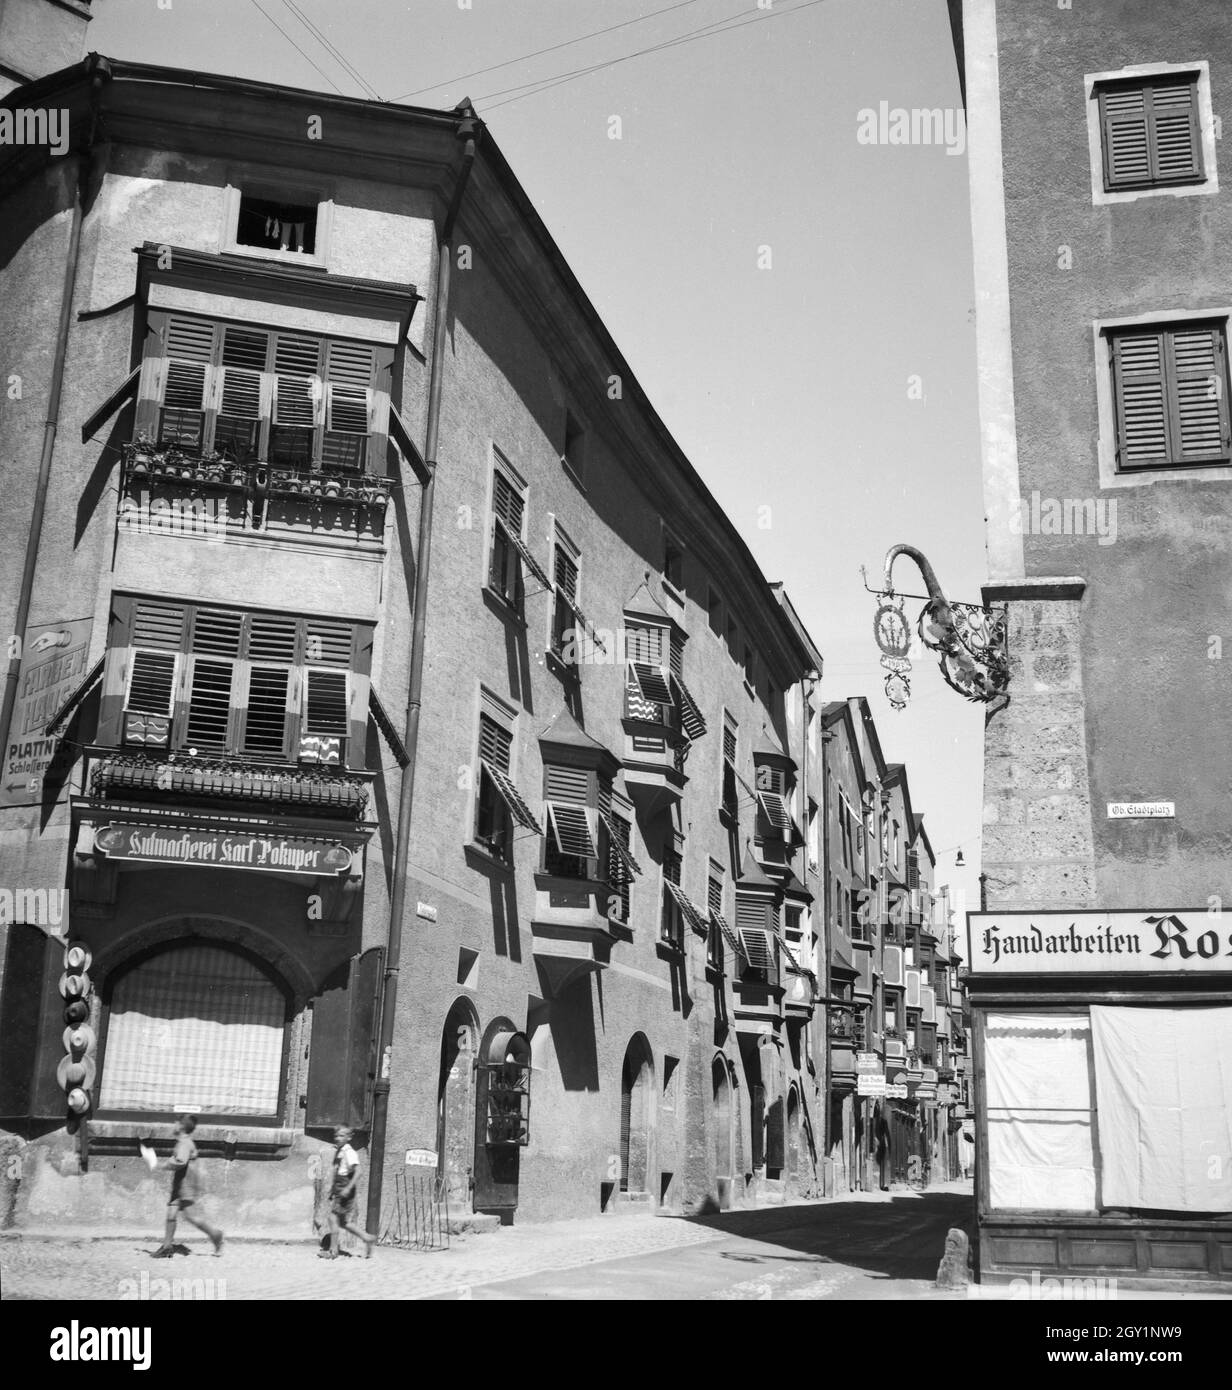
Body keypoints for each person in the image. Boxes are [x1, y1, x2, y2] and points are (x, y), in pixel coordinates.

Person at [153, 1115, 223, 1257]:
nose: (173, 1125)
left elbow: (180, 1162)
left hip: (185, 1185)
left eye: (175, 1123)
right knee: (171, 1215)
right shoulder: (183, 1142)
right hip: (180, 1183)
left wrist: (160, 1165)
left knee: (192, 1217)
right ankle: (167, 1247)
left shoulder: (185, 1143)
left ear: (181, 1127)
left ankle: (215, 1234)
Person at [320, 1127, 377, 1260]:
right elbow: (338, 1172)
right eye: (336, 1135)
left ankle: (333, 1251)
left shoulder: (350, 1152)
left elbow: (358, 1171)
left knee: (333, 1219)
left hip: (345, 1188)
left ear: (349, 1137)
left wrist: (347, 1188)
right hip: (339, 1187)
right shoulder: (340, 1151)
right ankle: (367, 1238)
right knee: (343, 1223)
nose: (338, 1138)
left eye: (342, 1136)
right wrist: (332, 1190)